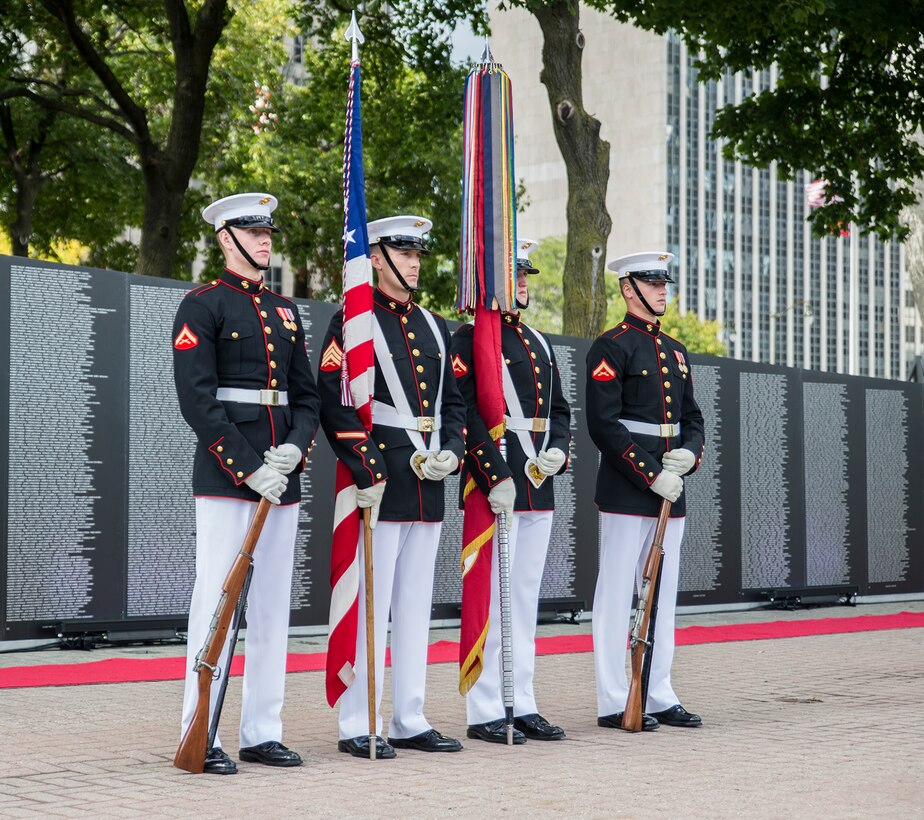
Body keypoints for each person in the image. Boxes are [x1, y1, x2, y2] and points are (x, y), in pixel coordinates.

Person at [173, 192, 321, 774]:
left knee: (270, 609)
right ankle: (198, 727)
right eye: (251, 232)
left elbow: (305, 397)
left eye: (267, 232)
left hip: (280, 478)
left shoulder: (285, 313)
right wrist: (247, 464)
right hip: (227, 476)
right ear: (224, 238)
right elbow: (198, 402)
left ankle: (262, 729)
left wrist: (293, 449)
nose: (264, 240)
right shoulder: (201, 305)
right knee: (215, 599)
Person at [318, 214, 467, 759]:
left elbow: (454, 401)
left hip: (429, 484)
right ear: (375, 257)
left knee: (414, 607)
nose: (413, 261)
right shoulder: (353, 322)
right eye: (402, 252)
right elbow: (335, 400)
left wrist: (452, 449)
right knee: (370, 606)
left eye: (417, 253)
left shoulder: (433, 325)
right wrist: (368, 469)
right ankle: (358, 720)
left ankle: (408, 714)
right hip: (381, 483)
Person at [450, 238, 572, 744]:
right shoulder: (469, 339)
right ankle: (485, 709)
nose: (522, 283)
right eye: (513, 275)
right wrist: (492, 471)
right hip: (497, 481)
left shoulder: (539, 342)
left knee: (523, 600)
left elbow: (560, 410)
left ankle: (522, 701)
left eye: (525, 275)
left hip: (537, 483)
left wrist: (559, 451)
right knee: (494, 600)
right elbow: (463, 412)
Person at [586, 251, 705, 732]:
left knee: (663, 594)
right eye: (652, 284)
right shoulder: (610, 347)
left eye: (664, 283)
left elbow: (692, 418)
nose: (662, 290)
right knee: (617, 594)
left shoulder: (675, 349)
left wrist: (688, 456)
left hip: (670, 487)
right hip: (627, 486)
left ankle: (657, 692)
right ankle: (615, 697)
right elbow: (604, 424)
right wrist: (650, 471)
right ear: (627, 288)